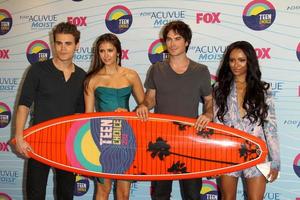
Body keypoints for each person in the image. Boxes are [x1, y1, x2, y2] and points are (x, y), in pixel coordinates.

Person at [136, 20, 213, 200]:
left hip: (191, 141)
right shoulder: (156, 69)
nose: (172, 43)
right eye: (169, 39)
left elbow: (209, 100)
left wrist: (208, 113)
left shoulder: (201, 70)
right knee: (161, 194)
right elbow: (150, 98)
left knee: (192, 194)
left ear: (186, 42)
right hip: (161, 141)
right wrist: (143, 105)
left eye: (177, 38)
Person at [14, 22, 86, 199]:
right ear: (53, 44)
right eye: (59, 43)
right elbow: (24, 104)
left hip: (67, 146)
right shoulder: (37, 70)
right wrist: (19, 136)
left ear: (77, 45)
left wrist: (78, 146)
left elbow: (79, 113)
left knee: (65, 194)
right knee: (35, 194)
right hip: (38, 142)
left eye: (68, 43)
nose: (62, 48)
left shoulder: (82, 76)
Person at [213, 41, 280, 199]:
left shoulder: (263, 90)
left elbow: (270, 128)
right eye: (232, 60)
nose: (236, 65)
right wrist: (213, 158)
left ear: (250, 62)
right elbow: (217, 127)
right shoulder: (219, 89)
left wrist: (275, 162)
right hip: (227, 153)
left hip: (257, 153)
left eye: (241, 60)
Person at [84, 33, 144, 200]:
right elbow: (88, 115)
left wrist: (131, 114)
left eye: (110, 50)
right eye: (102, 51)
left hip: (126, 133)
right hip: (102, 134)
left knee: (123, 192)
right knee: (103, 189)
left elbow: (145, 105)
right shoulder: (92, 80)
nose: (106, 55)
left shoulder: (130, 75)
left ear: (118, 52)